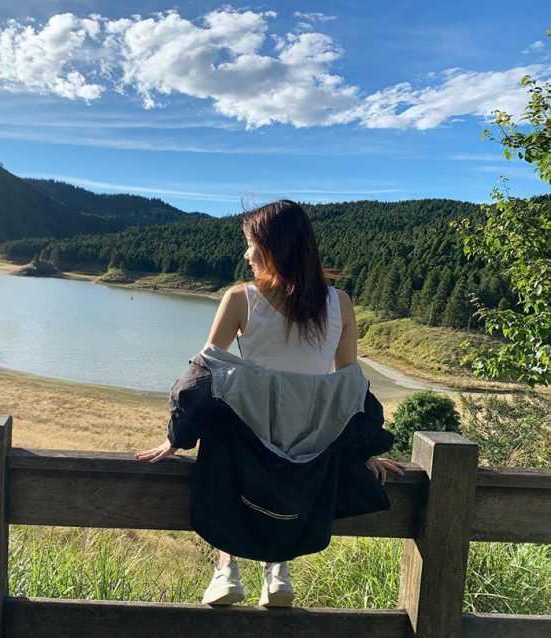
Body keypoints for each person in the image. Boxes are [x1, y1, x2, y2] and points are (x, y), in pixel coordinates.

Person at [135, 200, 403, 607]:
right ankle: (278, 573)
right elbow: (350, 387)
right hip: (312, 451)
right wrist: (363, 451)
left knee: (222, 419)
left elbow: (202, 375)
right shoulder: (340, 303)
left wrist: (177, 436)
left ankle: (226, 570)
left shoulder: (241, 298)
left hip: (247, 445)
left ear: (272, 248)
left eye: (251, 246)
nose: (246, 255)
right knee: (280, 434)